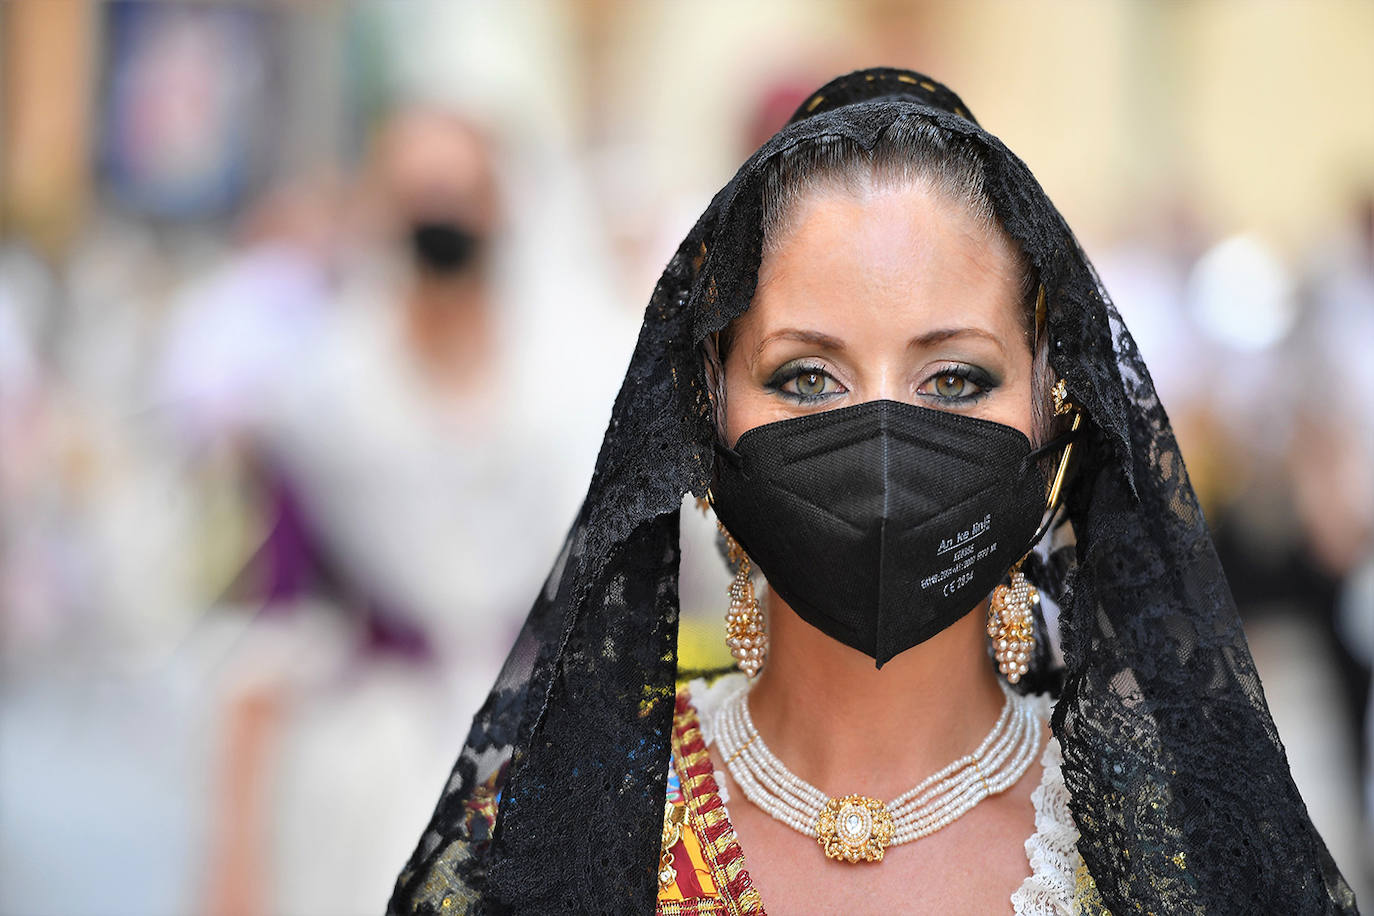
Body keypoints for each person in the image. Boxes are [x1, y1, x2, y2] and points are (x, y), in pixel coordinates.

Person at [388, 69, 1358, 915]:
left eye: (956, 379)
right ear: (702, 411)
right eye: (809, 376)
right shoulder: (557, 834)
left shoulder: (1184, 848)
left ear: (1055, 411)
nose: (885, 444)